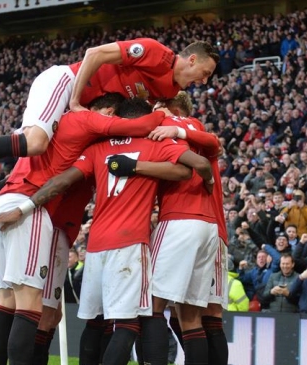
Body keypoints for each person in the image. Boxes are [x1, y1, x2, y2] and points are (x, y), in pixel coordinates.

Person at [0, 98, 211, 365]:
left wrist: (23, 208)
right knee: (129, 323)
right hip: (130, 242)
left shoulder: (97, 147)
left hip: (95, 247)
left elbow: (61, 182)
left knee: (96, 323)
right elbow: (190, 169)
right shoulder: (154, 142)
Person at [0, 39, 219, 197]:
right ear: (191, 59)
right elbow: (94, 53)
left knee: (26, 170)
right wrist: (73, 98)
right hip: (66, 82)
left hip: (81, 107)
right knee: (35, 144)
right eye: (205, 73)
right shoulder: (154, 52)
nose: (204, 82)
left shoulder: (169, 89)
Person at [106, 92, 227, 365]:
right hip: (212, 227)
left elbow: (200, 157)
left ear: (167, 107)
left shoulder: (170, 128)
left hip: (179, 221)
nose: (153, 112)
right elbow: (212, 144)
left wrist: (134, 165)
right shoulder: (197, 130)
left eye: (156, 106)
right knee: (193, 316)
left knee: (151, 305)